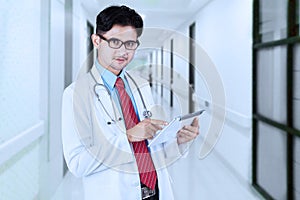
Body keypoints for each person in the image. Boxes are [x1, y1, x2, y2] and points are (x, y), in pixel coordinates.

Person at [62, 5, 199, 200]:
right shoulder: (76, 94)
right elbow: (77, 163)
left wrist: (178, 141)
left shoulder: (141, 85)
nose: (123, 51)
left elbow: (152, 146)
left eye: (130, 44)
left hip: (156, 191)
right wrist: (127, 137)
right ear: (96, 41)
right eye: (115, 42)